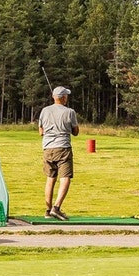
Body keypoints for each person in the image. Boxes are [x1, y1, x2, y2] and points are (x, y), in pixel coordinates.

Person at [39, 85, 79, 220]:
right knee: (65, 178)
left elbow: (40, 132)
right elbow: (76, 132)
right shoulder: (70, 112)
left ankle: (47, 210)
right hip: (63, 148)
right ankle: (56, 208)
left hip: (47, 148)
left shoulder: (44, 111)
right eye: (66, 96)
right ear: (62, 98)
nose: (67, 97)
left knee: (50, 178)